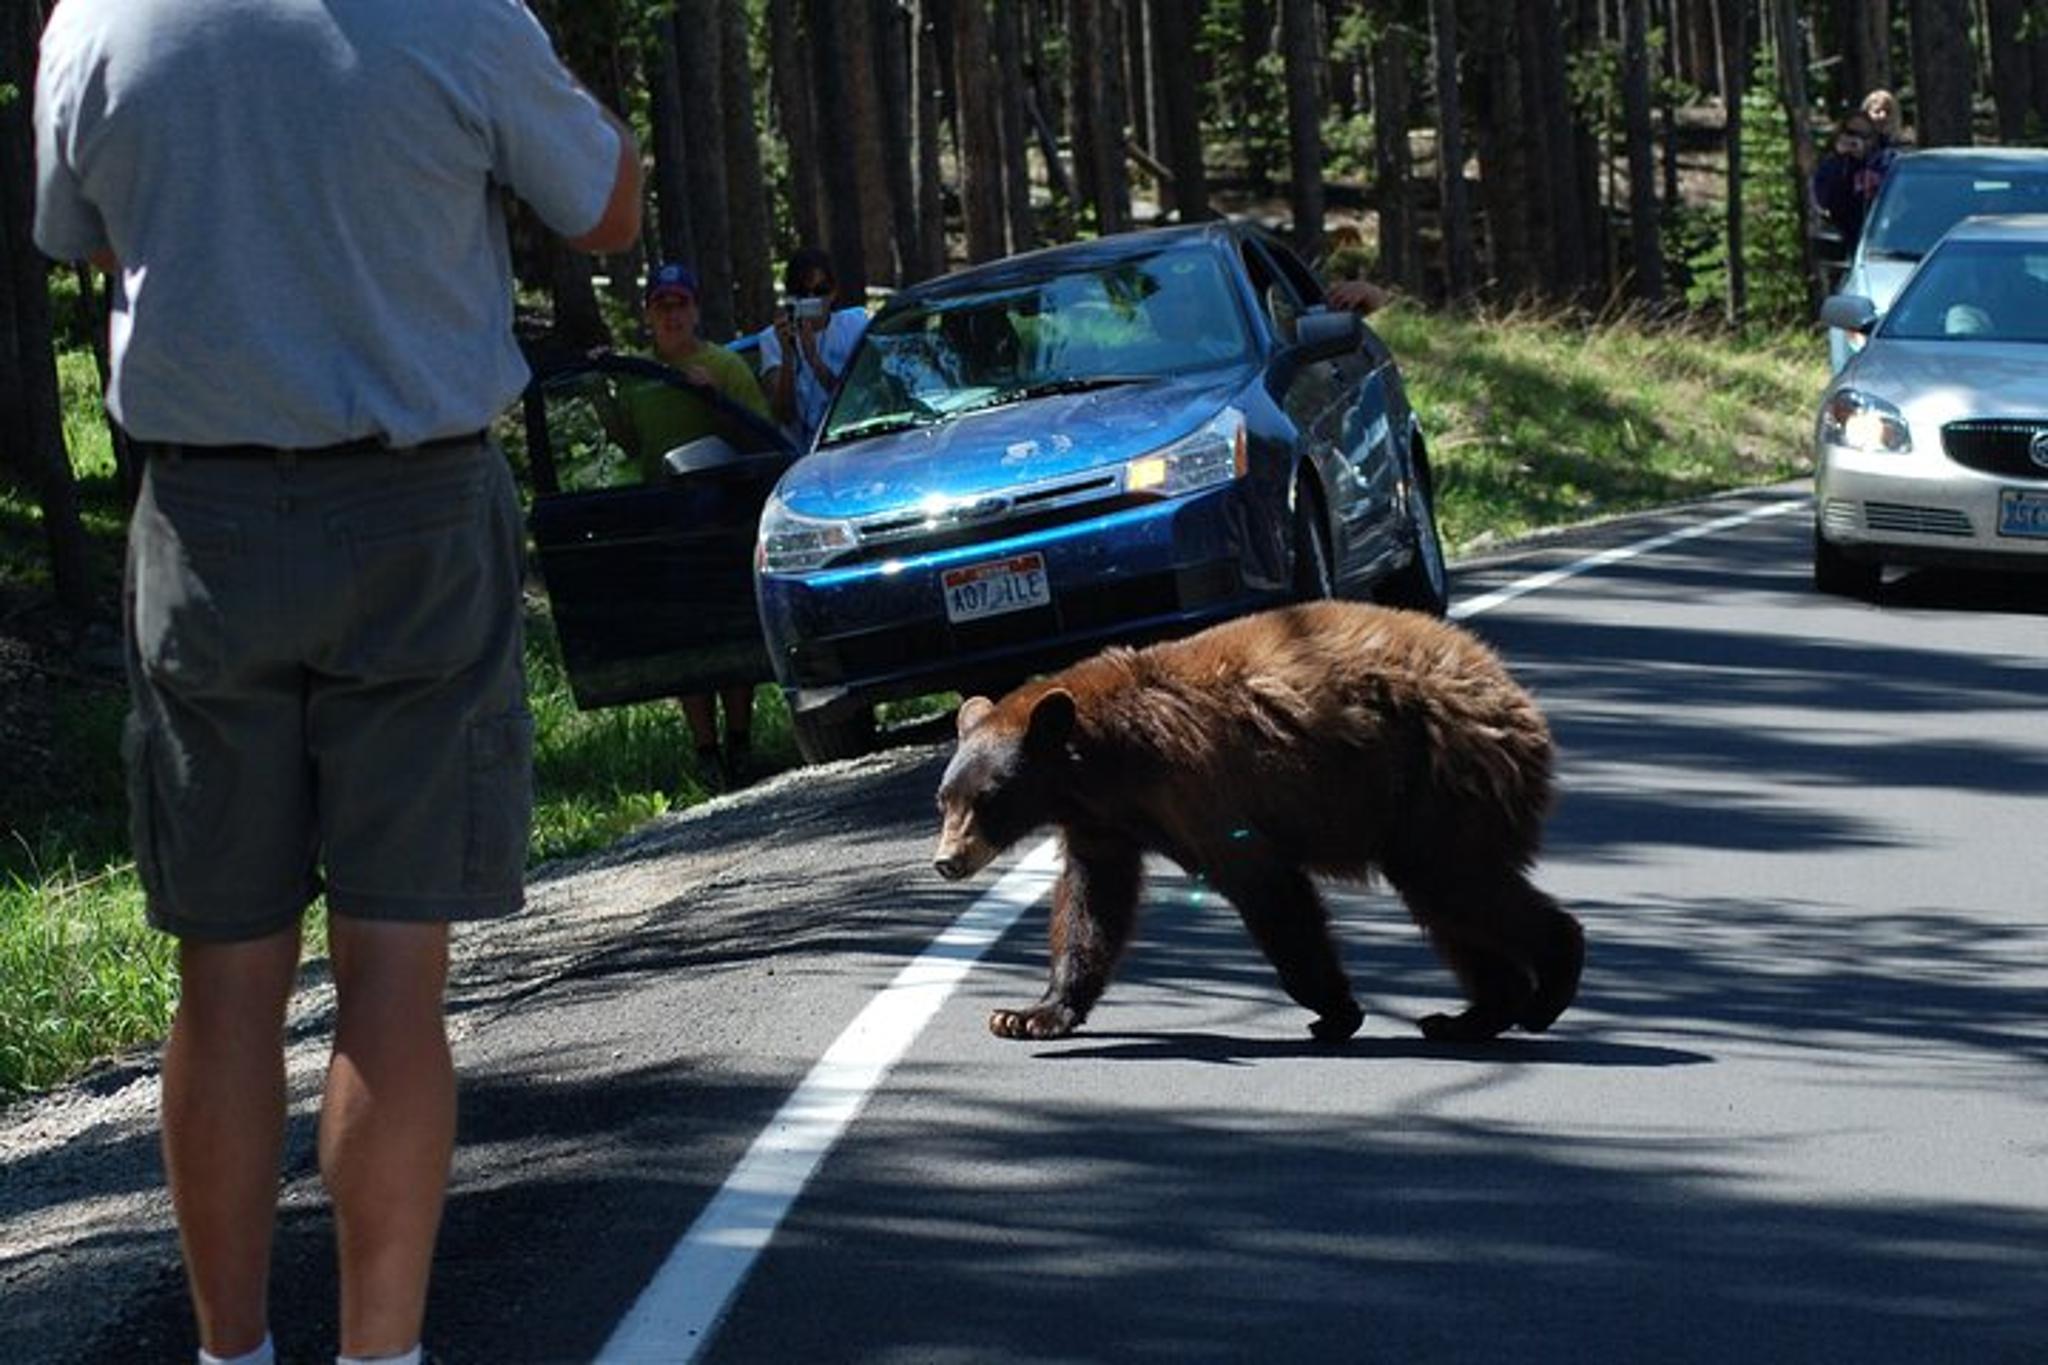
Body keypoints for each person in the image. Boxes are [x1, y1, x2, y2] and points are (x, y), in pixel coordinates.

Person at [32, 4, 640, 1364]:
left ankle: (231, 1352)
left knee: (226, 979)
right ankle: (381, 1354)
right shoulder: (458, 13)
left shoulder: (101, 21)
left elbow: (90, 235)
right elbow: (605, 209)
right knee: (390, 976)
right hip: (417, 514)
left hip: (203, 524)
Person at [618, 262, 771, 788]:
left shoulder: (724, 365)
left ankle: (741, 742)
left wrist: (715, 399)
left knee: (729, 634)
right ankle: (705, 750)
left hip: (722, 512)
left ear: (696, 310)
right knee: (687, 640)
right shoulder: (636, 378)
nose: (672, 314)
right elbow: (625, 443)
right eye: (662, 305)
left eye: (680, 303)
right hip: (665, 519)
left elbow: (759, 435)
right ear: (648, 314)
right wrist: (599, 389)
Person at [758, 247, 870, 447]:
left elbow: (862, 398)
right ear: (791, 297)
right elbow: (784, 415)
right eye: (802, 293)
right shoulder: (772, 338)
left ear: (833, 292)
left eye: (820, 291)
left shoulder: (855, 324)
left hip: (854, 440)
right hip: (802, 453)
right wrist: (787, 355)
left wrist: (814, 361)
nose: (812, 299)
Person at [1811, 111, 1895, 249]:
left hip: (1885, 236)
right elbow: (1823, 199)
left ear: (1874, 137)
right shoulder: (1834, 164)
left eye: (1864, 135)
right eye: (1851, 133)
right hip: (1850, 238)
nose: (1856, 140)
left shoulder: (1889, 162)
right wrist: (1841, 160)